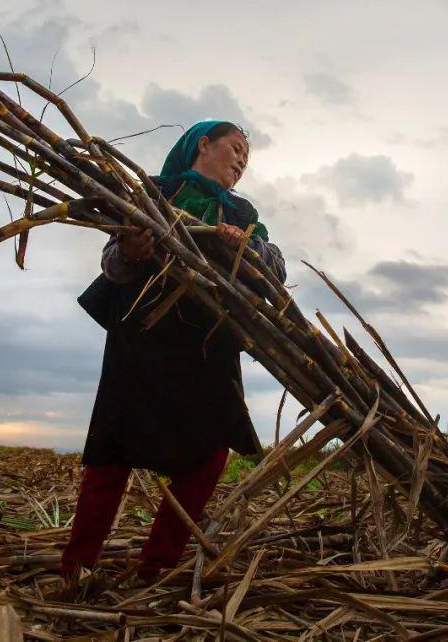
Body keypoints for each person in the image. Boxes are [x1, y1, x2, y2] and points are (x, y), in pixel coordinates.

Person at [64, 120, 287, 584]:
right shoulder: (154, 193)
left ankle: (156, 566)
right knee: (112, 449)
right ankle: (77, 565)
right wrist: (131, 248)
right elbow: (112, 261)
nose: (243, 161)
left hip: (209, 344)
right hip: (143, 335)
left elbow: (275, 269)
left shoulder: (244, 212)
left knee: (210, 453)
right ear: (202, 144)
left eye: (248, 156)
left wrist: (246, 249)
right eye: (236, 148)